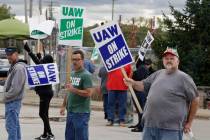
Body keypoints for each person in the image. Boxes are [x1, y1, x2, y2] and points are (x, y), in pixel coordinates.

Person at [124, 47, 199, 140]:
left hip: (171, 129)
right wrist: (133, 83)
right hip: (150, 126)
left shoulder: (184, 78)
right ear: (163, 61)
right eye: (166, 58)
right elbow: (143, 85)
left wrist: (189, 122)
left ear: (178, 61)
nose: (169, 60)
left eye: (172, 58)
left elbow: (195, 99)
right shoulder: (158, 74)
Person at [24, 43, 55, 140]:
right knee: (45, 114)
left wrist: (29, 51)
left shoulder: (45, 68)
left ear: (46, 61)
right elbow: (39, 62)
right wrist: (40, 57)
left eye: (43, 59)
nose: (42, 60)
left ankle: (50, 134)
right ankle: (45, 134)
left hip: (45, 93)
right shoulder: (49, 67)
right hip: (47, 92)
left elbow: (38, 63)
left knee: (42, 114)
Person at [60, 50, 93, 140]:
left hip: (81, 113)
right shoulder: (73, 73)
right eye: (73, 59)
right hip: (70, 111)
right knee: (69, 137)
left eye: (77, 59)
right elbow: (69, 91)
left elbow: (89, 93)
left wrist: (74, 90)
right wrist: (63, 106)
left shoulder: (86, 75)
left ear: (82, 60)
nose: (75, 61)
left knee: (81, 138)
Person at [3, 47, 27, 140]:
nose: (8, 57)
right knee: (15, 126)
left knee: (11, 127)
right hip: (13, 101)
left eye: (10, 55)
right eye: (7, 55)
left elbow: (15, 89)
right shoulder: (15, 66)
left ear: (16, 54)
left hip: (13, 101)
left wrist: (5, 96)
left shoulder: (19, 68)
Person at [129, 58, 149, 132]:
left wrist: (133, 73)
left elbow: (138, 78)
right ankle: (139, 123)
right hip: (137, 91)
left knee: (141, 109)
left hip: (140, 91)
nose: (135, 61)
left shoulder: (142, 68)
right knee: (139, 109)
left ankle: (141, 125)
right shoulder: (141, 67)